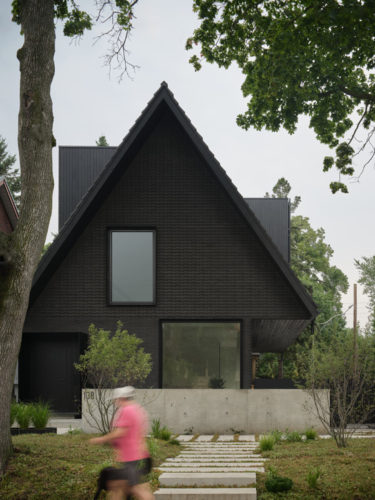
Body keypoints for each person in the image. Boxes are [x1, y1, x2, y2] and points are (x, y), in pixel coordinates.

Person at [90, 386, 154, 500]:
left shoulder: (127, 410)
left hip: (131, 457)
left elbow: (121, 432)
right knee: (121, 487)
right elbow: (139, 433)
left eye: (116, 399)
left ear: (122, 398)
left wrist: (101, 439)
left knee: (135, 489)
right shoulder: (137, 409)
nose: (115, 402)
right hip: (136, 456)